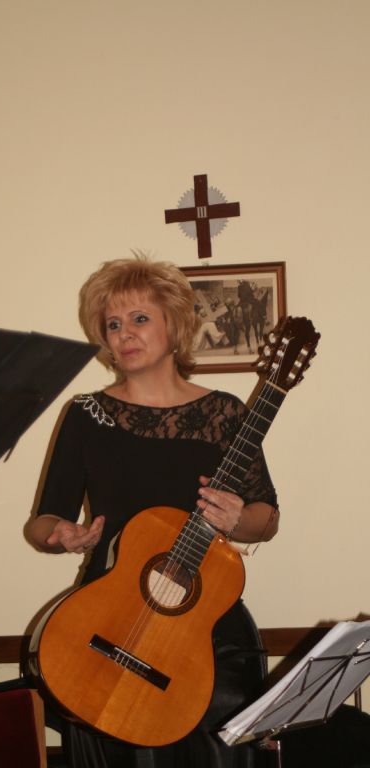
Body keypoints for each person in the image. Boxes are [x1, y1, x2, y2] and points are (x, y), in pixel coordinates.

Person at [27, 256, 279, 768]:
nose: (124, 334)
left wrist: (237, 518)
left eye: (139, 318)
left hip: (206, 629)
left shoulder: (226, 412)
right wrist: (60, 534)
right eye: (112, 324)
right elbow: (42, 521)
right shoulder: (87, 415)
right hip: (109, 628)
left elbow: (267, 517)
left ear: (175, 324)